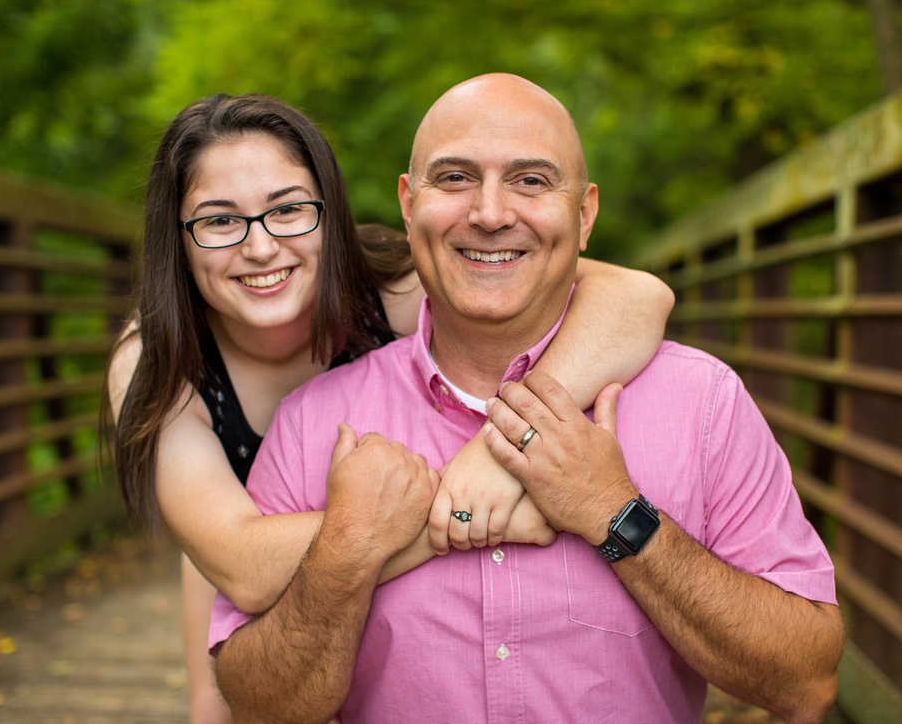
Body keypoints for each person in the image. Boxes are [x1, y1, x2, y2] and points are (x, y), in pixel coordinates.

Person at [209, 74, 847, 724]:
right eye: (454, 178)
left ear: (585, 213)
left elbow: (805, 680)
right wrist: (345, 551)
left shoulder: (703, 402)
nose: (489, 214)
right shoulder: (315, 420)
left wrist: (615, 511)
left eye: (531, 181)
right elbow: (259, 707)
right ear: (408, 205)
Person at [103, 93, 675, 723]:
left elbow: (636, 295)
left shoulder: (391, 284)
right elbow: (240, 563)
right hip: (236, 538)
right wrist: (470, 509)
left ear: (329, 214)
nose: (261, 248)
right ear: (176, 238)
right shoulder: (156, 362)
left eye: (289, 210)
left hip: (357, 524)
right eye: (218, 221)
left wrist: (506, 447)